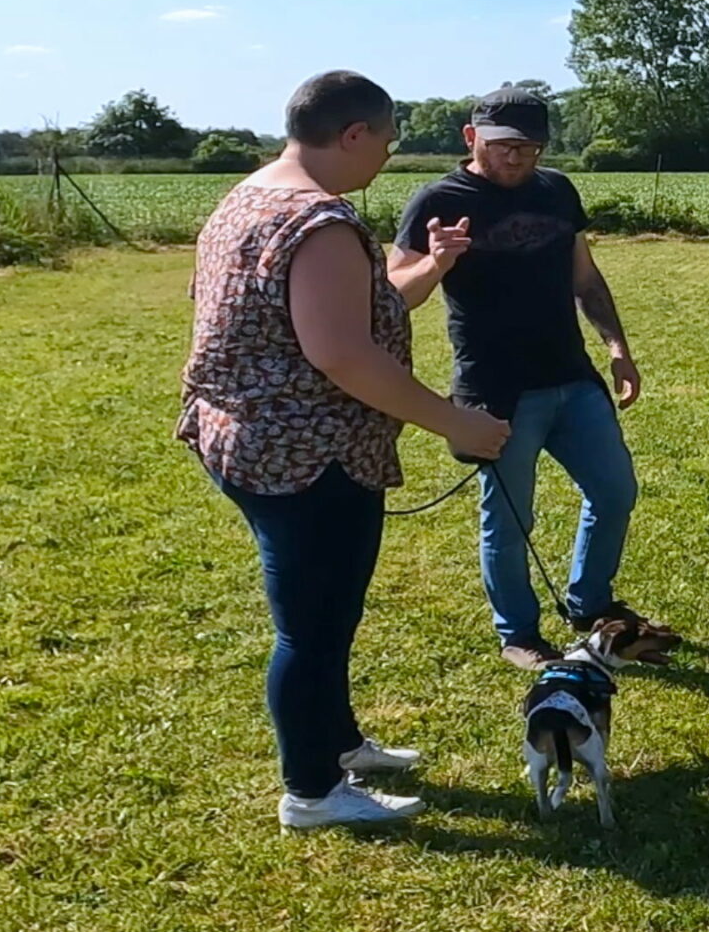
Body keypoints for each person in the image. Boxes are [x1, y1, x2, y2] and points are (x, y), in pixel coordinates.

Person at [179, 71, 511, 830]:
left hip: (247, 442)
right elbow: (342, 354)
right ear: (353, 133)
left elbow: (355, 309)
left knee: (326, 616)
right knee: (312, 626)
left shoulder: (251, 196)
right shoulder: (319, 221)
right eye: (387, 141)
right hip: (306, 454)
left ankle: (338, 744)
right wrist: (453, 422)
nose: (388, 157)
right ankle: (312, 791)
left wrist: (433, 265)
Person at [392, 85, 662, 670]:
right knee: (512, 517)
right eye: (503, 145)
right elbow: (395, 297)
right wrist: (437, 263)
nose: (516, 158)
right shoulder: (437, 199)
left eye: (530, 147)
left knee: (615, 490)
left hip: (570, 373)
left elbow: (585, 280)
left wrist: (617, 347)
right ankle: (518, 633)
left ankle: (590, 605)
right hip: (495, 390)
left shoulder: (557, 190)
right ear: (472, 138)